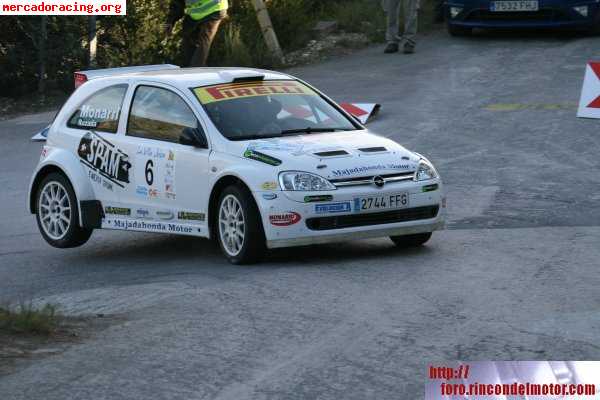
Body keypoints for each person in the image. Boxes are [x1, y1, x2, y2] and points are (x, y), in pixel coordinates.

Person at [166, 0, 229, 67]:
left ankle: (196, 68)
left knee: (204, 40)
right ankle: (193, 69)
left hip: (214, 8)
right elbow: (178, 3)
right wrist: (170, 21)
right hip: (195, 14)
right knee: (188, 43)